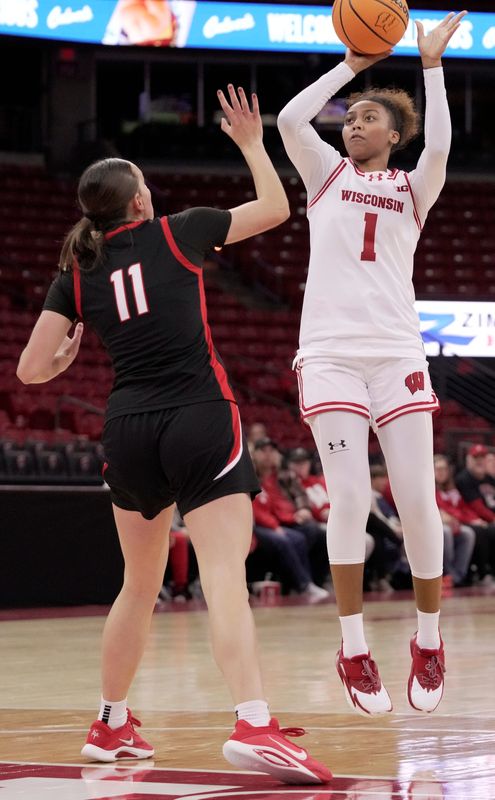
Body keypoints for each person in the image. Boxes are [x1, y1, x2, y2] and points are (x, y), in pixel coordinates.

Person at [16, 85, 331, 784]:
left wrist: (69, 351)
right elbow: (277, 210)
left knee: (137, 585)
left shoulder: (79, 268)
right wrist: (252, 144)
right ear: (136, 202)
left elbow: (31, 369)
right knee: (222, 576)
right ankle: (254, 724)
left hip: (126, 428)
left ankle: (111, 720)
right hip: (196, 413)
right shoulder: (176, 230)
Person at [277, 11, 467, 716]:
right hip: (327, 355)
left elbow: (441, 150)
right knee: (351, 499)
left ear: (393, 137)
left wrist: (430, 67)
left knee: (418, 502)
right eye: (348, 118)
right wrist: (353, 64)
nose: (350, 125)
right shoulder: (324, 175)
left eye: (365, 119)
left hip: (395, 354)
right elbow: (292, 120)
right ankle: (353, 648)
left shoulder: (413, 189)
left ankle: (427, 639)